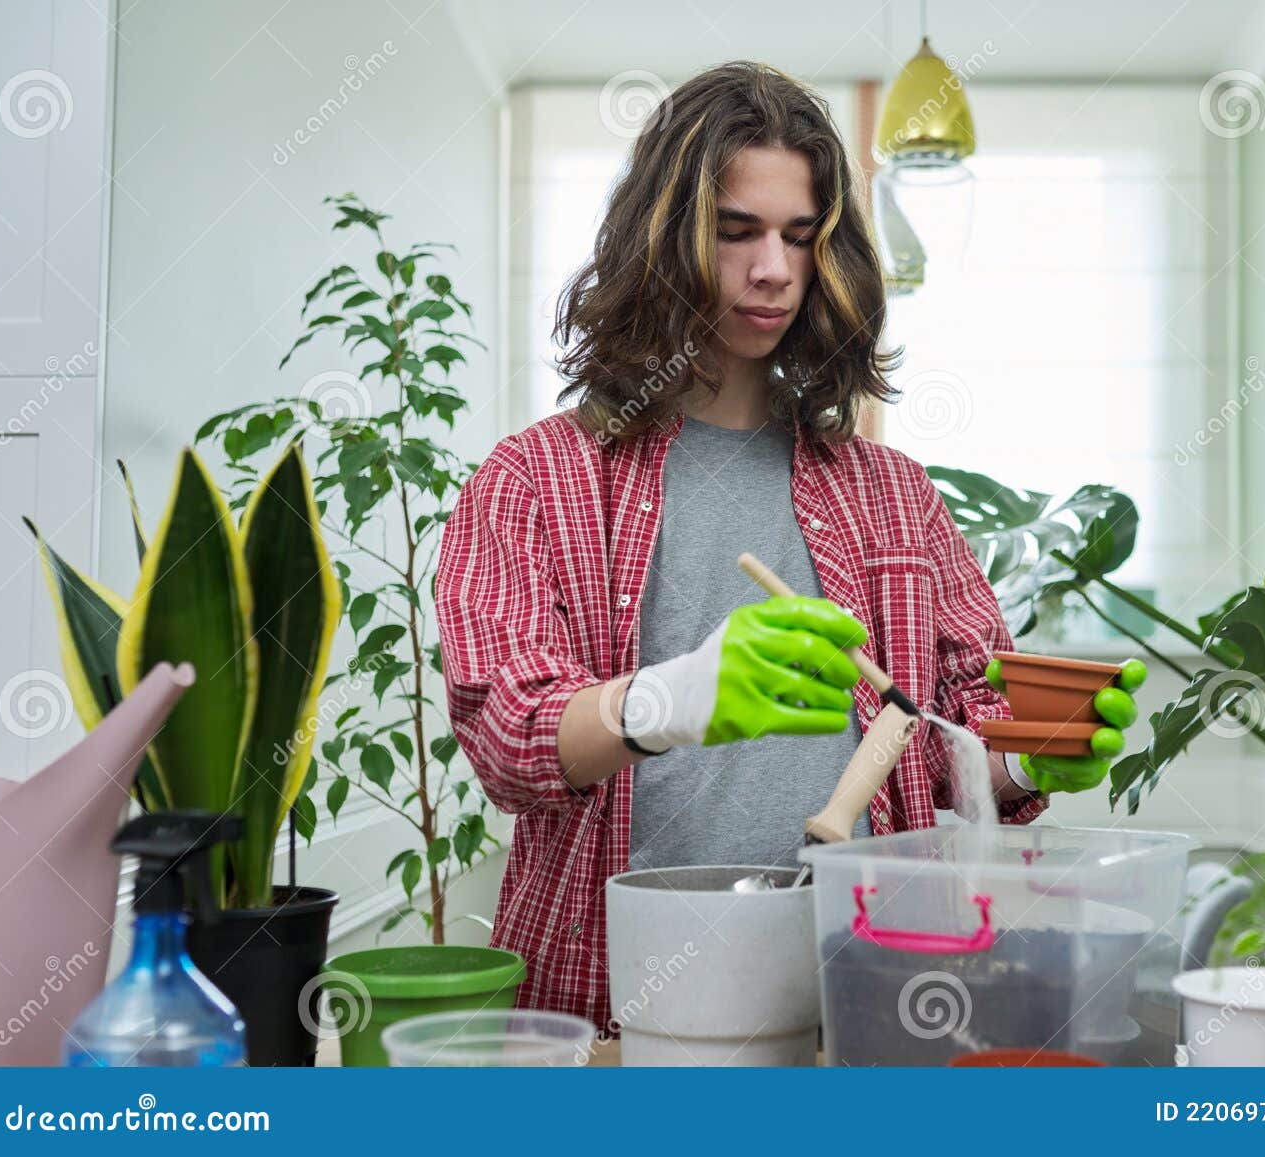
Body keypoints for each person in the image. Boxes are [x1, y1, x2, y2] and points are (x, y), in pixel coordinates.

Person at [433, 61, 1143, 1033]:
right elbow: (508, 735)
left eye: (799, 237)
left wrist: (1026, 758)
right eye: (736, 232)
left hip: (863, 997)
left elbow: (941, 736)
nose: (772, 267)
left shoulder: (891, 496)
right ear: (662, 236)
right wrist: (664, 701)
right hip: (613, 1003)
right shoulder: (536, 484)